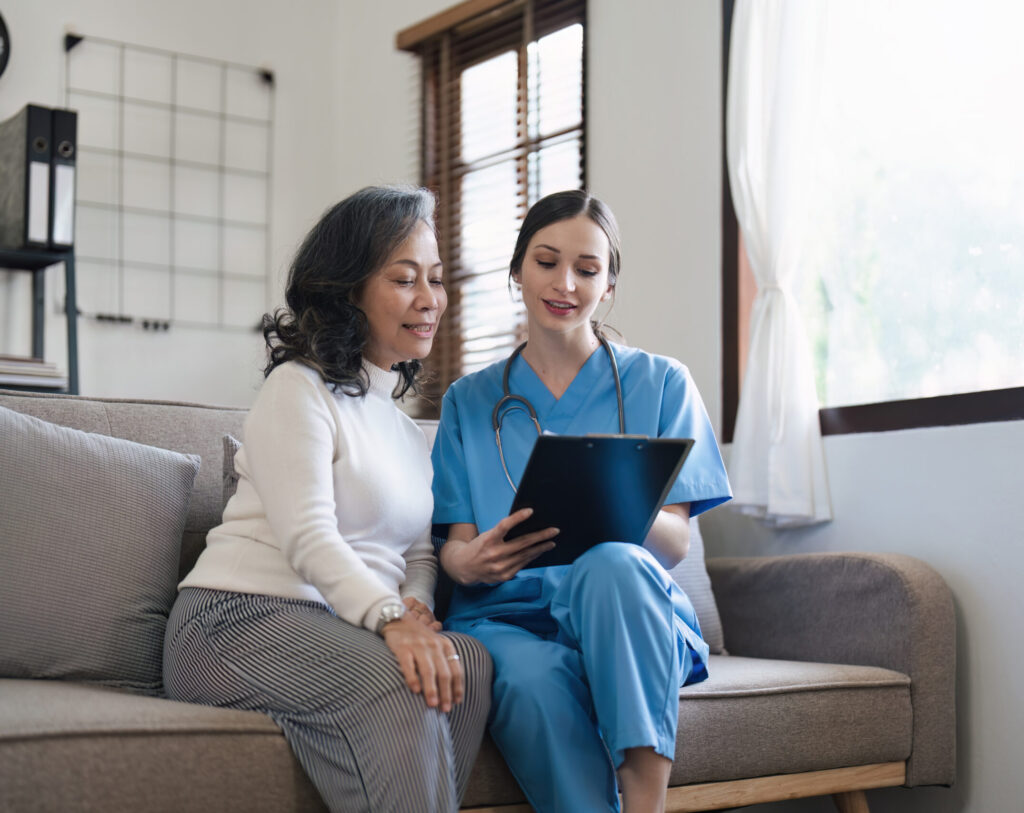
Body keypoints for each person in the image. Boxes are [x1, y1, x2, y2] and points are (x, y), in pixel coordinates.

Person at [164, 185, 492, 813]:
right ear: (347, 292)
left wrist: (416, 607)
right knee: (400, 681)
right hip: (235, 621)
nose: (429, 301)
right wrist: (390, 622)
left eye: (436, 279)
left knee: (469, 663)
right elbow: (309, 537)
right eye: (404, 279)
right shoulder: (297, 390)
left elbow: (419, 552)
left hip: (337, 624)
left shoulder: (403, 429)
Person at [430, 190, 732, 813]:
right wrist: (465, 565)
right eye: (545, 262)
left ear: (609, 286)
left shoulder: (663, 383)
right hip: (505, 617)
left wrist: (612, 506)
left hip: (625, 612)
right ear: (517, 271)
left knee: (614, 563)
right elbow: (455, 543)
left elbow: (676, 541)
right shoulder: (468, 401)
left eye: (588, 270)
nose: (564, 283)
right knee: (537, 682)